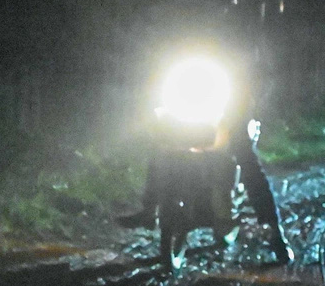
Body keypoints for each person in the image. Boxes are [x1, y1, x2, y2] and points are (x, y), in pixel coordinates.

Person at [117, 35, 295, 266]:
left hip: (230, 102)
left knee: (246, 159)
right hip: (194, 93)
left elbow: (256, 71)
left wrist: (245, 92)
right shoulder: (187, 35)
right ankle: (149, 208)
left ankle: (274, 232)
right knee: (163, 144)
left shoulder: (239, 38)